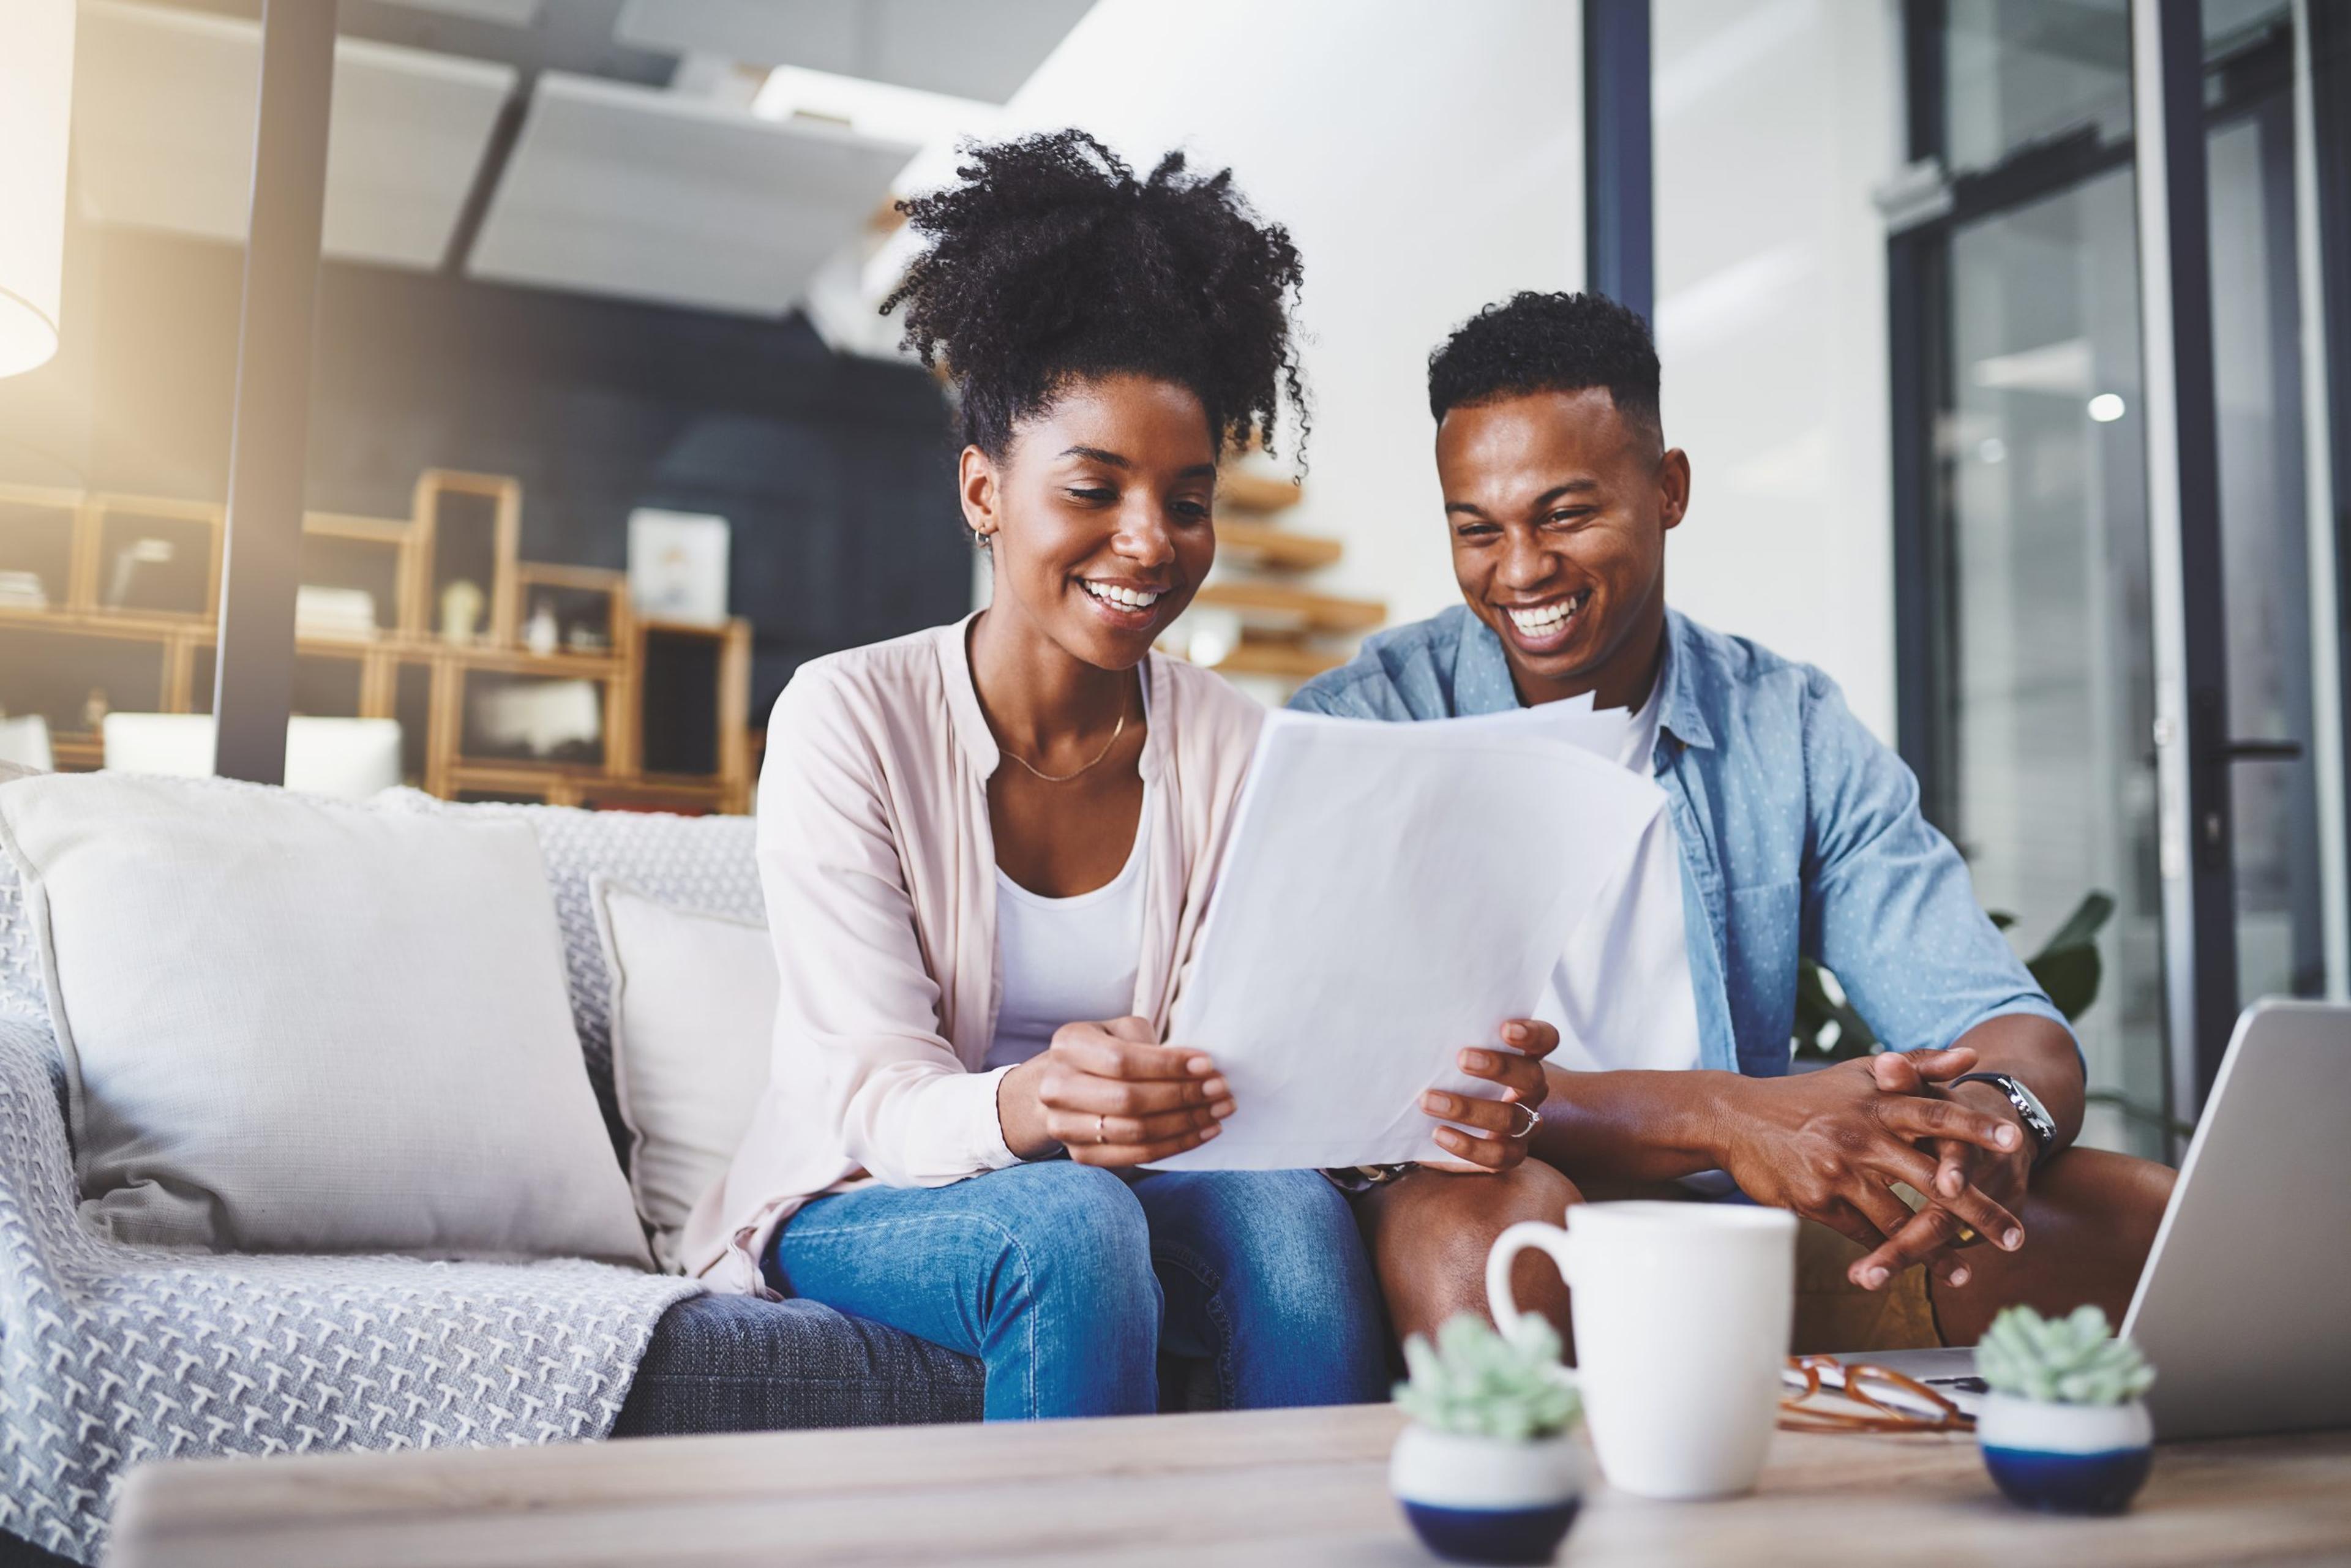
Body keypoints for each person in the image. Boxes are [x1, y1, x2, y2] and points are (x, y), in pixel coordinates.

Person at [683, 132, 1545, 1419]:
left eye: (1189, 501)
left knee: (1295, 1229)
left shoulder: (1236, 746)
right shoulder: (847, 720)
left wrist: (1431, 1099)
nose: (1150, 542)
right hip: (865, 1185)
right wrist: (1035, 1104)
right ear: (984, 489)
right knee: (1071, 1225)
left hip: (1148, 1172)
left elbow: (1270, 1059)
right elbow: (871, 1090)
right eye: (1095, 487)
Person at [1294, 290, 2175, 1354]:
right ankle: (1552, 1514)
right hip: (1489, 1212)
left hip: (1733, 1223)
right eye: (1478, 530)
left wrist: (1992, 1126)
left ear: (1668, 489)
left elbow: (2013, 1026)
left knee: (2134, 1222)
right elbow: (1390, 1086)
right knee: (1490, 1223)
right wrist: (1727, 1111)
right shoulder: (1364, 726)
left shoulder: (1785, 723)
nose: (1519, 570)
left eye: (1566, 515)